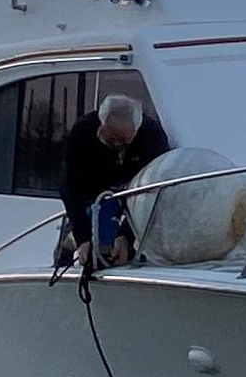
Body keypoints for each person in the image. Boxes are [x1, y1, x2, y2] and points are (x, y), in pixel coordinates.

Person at [60, 86, 170, 267]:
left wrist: (125, 235)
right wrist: (83, 237)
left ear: (137, 128)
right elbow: (69, 185)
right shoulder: (83, 131)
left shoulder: (152, 138)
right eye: (111, 141)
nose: (119, 146)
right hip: (91, 196)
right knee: (77, 248)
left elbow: (155, 187)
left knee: (124, 250)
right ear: (101, 125)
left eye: (125, 142)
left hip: (135, 198)